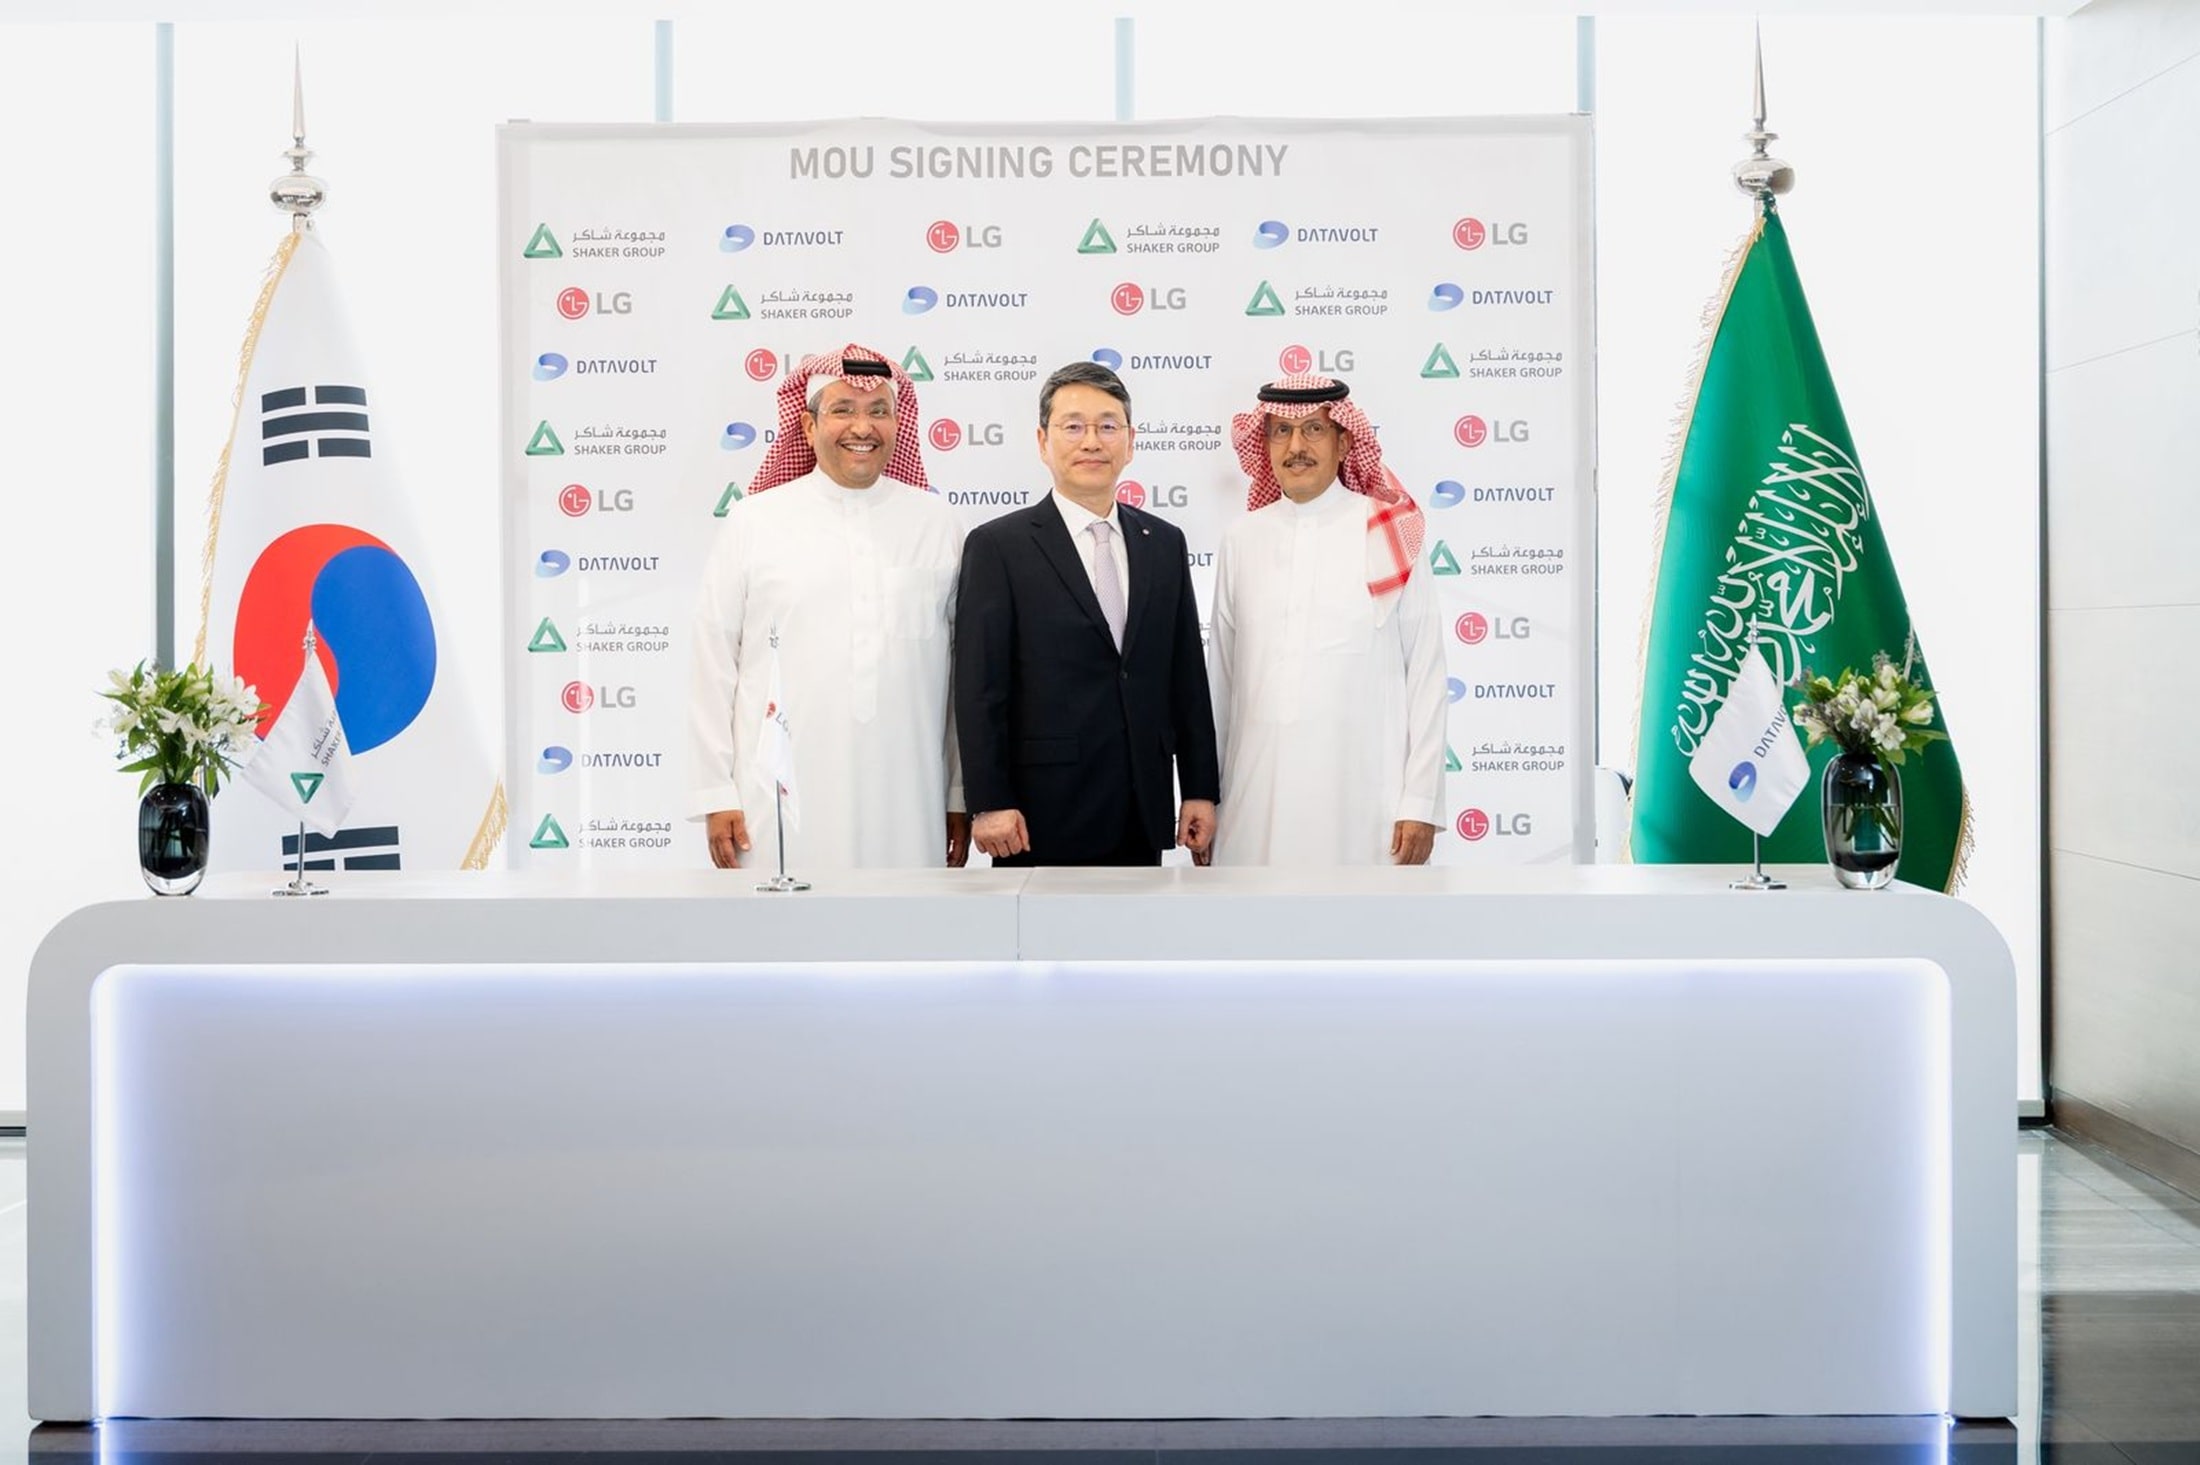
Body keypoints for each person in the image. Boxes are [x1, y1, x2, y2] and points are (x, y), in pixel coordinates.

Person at [687, 345, 969, 871]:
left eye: (878, 411)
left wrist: (958, 793)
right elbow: (714, 663)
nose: (862, 426)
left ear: (897, 425)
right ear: (808, 424)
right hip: (776, 799)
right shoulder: (755, 521)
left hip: (910, 797)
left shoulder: (938, 524)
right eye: (842, 409)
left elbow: (961, 678)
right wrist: (714, 792)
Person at [953, 361, 1219, 867]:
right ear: (1042, 441)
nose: (1092, 441)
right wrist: (988, 802)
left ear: (1130, 441)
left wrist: (1201, 788)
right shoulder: (998, 546)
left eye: (1107, 426)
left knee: (1135, 946)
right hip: (1036, 817)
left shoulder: (1163, 542)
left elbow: (1186, 675)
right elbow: (980, 688)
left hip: (1142, 806)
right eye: (1073, 427)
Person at [1207, 374, 1447, 866]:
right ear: (1265, 445)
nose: (1296, 447)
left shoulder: (1389, 531)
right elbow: (1220, 683)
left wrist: (1420, 801)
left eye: (1313, 430)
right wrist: (1206, 799)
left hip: (1366, 805)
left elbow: (1425, 672)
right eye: (1280, 432)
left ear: (1343, 442)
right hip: (1255, 804)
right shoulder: (1241, 539)